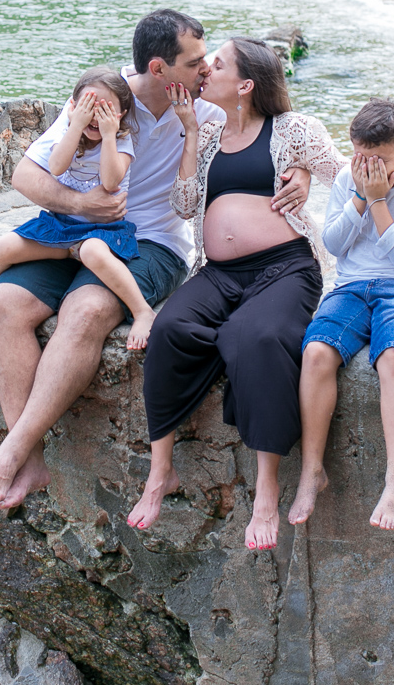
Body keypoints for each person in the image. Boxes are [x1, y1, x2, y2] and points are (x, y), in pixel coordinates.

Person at [0, 11, 315, 510]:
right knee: (4, 303)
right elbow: (26, 174)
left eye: (209, 61)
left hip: (153, 241)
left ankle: (6, 457)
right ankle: (33, 461)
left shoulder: (208, 108)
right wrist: (82, 204)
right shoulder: (105, 96)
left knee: (84, 311)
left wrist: (300, 170)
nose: (207, 71)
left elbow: (274, 126)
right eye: (195, 62)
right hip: (74, 231)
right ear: (158, 67)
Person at [126, 38, 347, 551]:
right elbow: (184, 206)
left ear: (245, 85)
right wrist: (185, 134)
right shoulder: (204, 131)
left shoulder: (295, 131)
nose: (206, 69)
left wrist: (310, 175)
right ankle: (161, 472)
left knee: (257, 338)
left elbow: (351, 173)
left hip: (285, 269)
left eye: (217, 64)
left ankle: (266, 486)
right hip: (219, 273)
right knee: (170, 330)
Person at [289, 98, 394, 531]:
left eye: (381, 161)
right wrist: (359, 194)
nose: (368, 167)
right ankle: (312, 470)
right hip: (352, 286)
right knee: (316, 351)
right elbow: (334, 245)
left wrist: (379, 201)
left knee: (393, 357)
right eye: (361, 157)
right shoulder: (346, 178)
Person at [0, 68, 160, 350]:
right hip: (61, 228)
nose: (94, 117)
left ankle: (142, 311)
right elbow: (56, 167)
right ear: (73, 107)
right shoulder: (68, 133)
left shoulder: (122, 141)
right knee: (0, 250)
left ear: (121, 115)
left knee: (92, 251)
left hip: (103, 230)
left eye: (105, 111)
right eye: (88, 108)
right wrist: (75, 126)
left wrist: (110, 136)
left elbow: (112, 181)